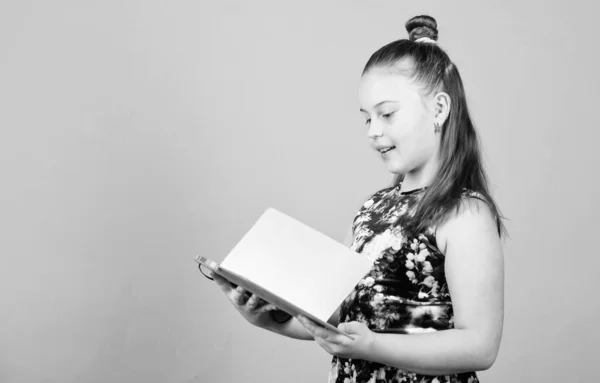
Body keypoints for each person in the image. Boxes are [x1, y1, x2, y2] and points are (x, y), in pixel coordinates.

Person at [205, 14, 506, 383]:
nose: (373, 131)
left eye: (387, 114)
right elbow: (339, 320)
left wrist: (371, 347)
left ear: (440, 110)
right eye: (366, 118)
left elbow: (480, 346)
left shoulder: (465, 213)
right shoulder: (372, 210)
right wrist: (268, 318)